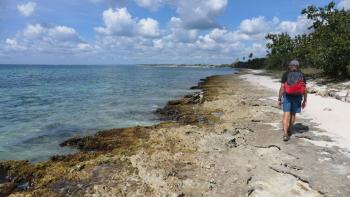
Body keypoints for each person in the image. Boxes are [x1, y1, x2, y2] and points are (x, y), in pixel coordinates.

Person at [278, 60, 307, 141]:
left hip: (287, 96)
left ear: (289, 66)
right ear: (298, 66)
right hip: (297, 97)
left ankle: (285, 134)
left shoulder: (286, 74)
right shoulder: (302, 75)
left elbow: (282, 88)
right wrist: (305, 100)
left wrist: (279, 99)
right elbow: (304, 89)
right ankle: (290, 130)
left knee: (286, 114)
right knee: (293, 114)